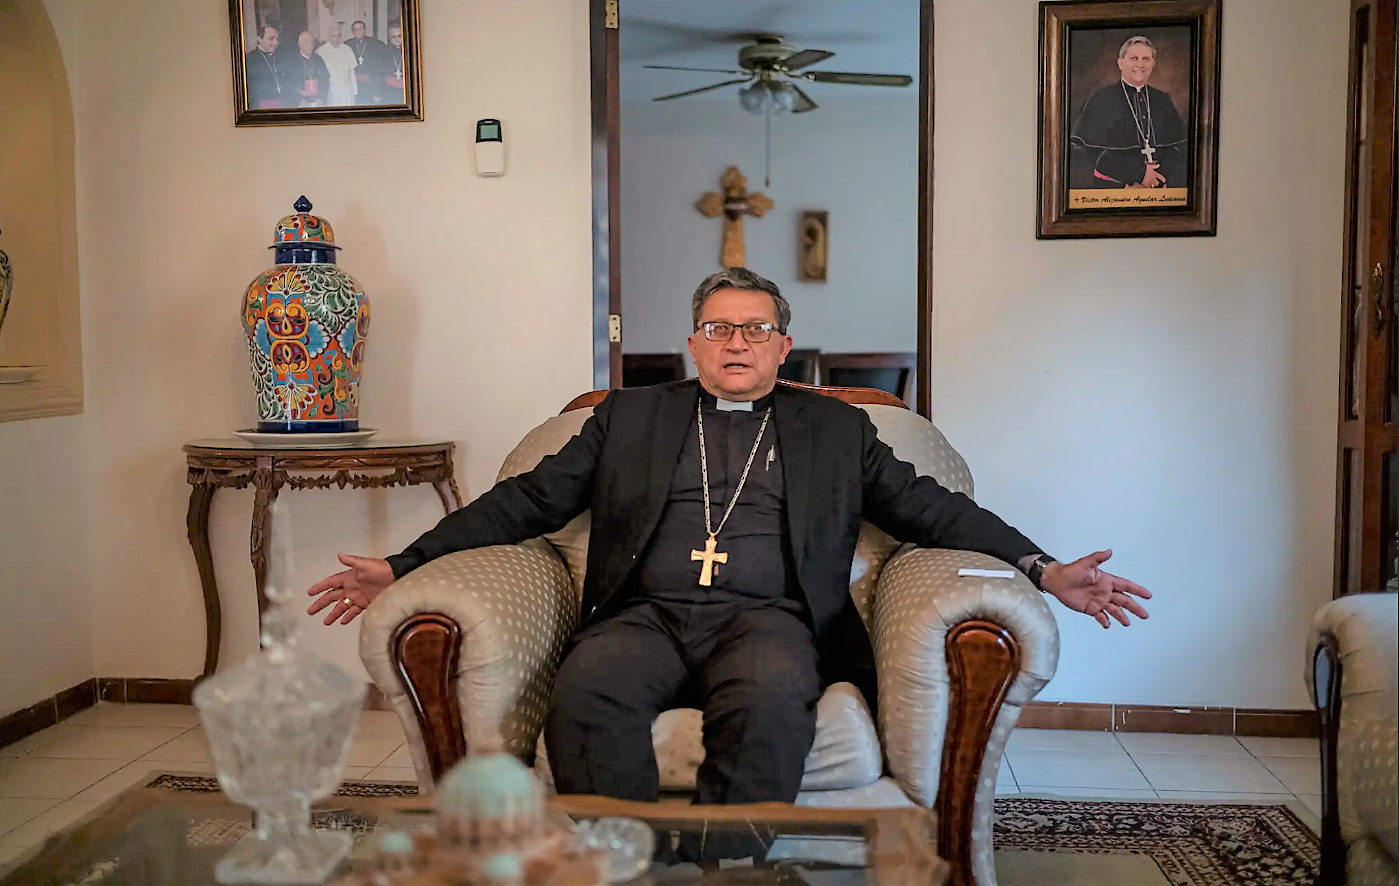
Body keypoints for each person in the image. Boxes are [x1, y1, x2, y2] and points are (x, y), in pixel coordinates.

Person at [307, 268, 1151, 859]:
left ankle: (724, 866)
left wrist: (1041, 569)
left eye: (755, 329)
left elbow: (932, 510)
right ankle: (625, 861)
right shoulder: (627, 419)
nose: (736, 342)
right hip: (642, 616)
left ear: (783, 346)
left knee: (772, 701)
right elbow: (527, 501)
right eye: (718, 328)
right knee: (589, 691)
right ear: (692, 343)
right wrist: (406, 563)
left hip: (768, 620)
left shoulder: (836, 430)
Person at [1069, 36, 1188, 189]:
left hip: (1160, 189)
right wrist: (1138, 175)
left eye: (1146, 59)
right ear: (1120, 63)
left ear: (1153, 64)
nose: (1140, 64)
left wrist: (1158, 179)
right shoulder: (1102, 98)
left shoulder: (1162, 100)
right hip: (1114, 188)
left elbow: (1177, 150)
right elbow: (1090, 154)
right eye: (1134, 58)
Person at [316, 24, 359, 106]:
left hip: (346, 90)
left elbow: (352, 73)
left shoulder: (347, 49)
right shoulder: (321, 51)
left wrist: (355, 91)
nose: (336, 39)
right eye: (333, 36)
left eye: (338, 36)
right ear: (329, 36)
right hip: (331, 90)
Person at [245, 25, 286, 109]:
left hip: (282, 104)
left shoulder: (282, 57)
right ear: (259, 39)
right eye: (271, 39)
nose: (275, 42)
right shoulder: (249, 59)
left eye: (277, 39)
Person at [345, 20, 385, 105]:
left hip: (370, 83)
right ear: (352, 32)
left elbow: (379, 67)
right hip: (354, 83)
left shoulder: (375, 43)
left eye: (361, 29)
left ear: (365, 29)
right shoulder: (347, 45)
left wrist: (377, 90)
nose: (358, 31)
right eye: (356, 29)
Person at [289, 30, 331, 108]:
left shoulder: (318, 59)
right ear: (299, 44)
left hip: (318, 102)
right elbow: (289, 85)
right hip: (300, 103)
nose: (310, 46)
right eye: (307, 43)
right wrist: (300, 101)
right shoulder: (292, 61)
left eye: (312, 43)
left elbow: (325, 80)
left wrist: (321, 98)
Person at [380, 21, 406, 105]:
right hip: (388, 90)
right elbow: (379, 73)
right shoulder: (383, 51)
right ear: (389, 38)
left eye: (399, 36)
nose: (397, 39)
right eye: (393, 37)